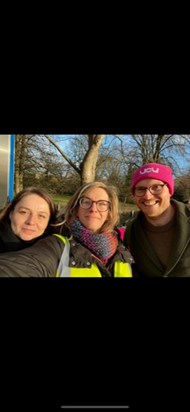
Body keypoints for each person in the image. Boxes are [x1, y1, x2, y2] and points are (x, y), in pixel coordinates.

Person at [0, 181, 133, 277]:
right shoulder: (57, 245)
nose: (93, 209)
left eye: (102, 204)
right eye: (86, 202)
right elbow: (21, 266)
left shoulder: (124, 249)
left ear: (110, 211)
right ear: (76, 207)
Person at [124, 162, 190, 277]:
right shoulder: (131, 232)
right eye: (140, 189)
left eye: (156, 187)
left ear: (169, 190)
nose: (148, 196)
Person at [0, 187, 57, 253]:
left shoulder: (53, 251)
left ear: (49, 222)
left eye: (41, 216)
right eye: (24, 212)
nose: (31, 222)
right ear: (11, 213)